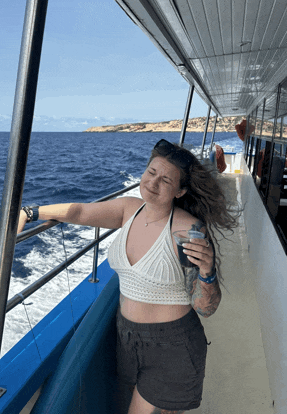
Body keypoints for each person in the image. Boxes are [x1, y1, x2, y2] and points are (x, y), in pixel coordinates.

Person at [18, 139, 238, 414]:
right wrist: (31, 212)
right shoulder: (128, 209)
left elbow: (205, 308)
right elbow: (80, 211)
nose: (153, 183)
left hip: (172, 346)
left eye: (166, 180)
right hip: (127, 340)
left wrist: (207, 271)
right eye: (151, 172)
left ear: (180, 191)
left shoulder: (186, 230)